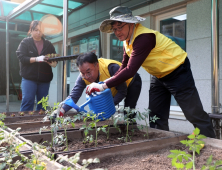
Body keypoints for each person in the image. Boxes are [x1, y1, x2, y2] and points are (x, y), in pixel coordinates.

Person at [86, 6, 215, 138]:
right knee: (156, 115)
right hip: (158, 75)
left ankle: (213, 145)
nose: (117, 32)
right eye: (114, 29)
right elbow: (123, 67)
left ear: (131, 23)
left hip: (178, 71)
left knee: (193, 112)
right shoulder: (127, 41)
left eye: (120, 27)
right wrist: (105, 82)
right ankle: (161, 145)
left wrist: (102, 86)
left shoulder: (144, 38)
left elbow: (130, 71)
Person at [57, 52, 142, 118]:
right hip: (113, 88)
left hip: (132, 81)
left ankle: (131, 129)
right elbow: (74, 95)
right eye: (82, 73)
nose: (86, 76)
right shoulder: (83, 77)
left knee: (129, 111)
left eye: (88, 72)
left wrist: (107, 107)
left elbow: (122, 91)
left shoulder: (111, 68)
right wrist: (62, 110)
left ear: (97, 65)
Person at [16, 20, 58, 111]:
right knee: (27, 101)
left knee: (42, 104)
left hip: (44, 79)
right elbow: (22, 58)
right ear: (30, 30)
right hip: (29, 78)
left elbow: (54, 58)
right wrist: (37, 59)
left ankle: (40, 124)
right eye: (36, 30)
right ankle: (24, 123)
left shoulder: (48, 44)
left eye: (40, 30)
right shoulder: (25, 42)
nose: (38, 33)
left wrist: (53, 63)